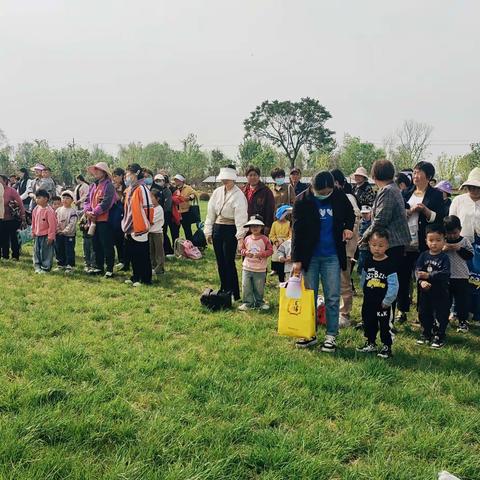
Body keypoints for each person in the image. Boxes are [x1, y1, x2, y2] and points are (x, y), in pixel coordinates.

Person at [291, 171, 355, 352]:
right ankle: (308, 333)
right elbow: (296, 231)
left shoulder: (339, 196)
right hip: (310, 256)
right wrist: (297, 259)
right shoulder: (302, 200)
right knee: (309, 296)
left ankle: (331, 335)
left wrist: (348, 228)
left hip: (332, 255)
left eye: (328, 191)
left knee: (332, 296)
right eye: (321, 191)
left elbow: (350, 214)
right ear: (313, 186)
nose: (325, 194)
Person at [360, 159, 411, 323]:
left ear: (373, 175)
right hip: (392, 243)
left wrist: (364, 238)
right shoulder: (391, 189)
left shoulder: (388, 191)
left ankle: (384, 319)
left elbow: (380, 220)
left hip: (391, 244)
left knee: (386, 281)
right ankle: (380, 316)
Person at [396, 161, 444, 323]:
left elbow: (439, 218)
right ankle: (401, 310)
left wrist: (425, 210)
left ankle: (422, 312)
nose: (415, 176)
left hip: (423, 243)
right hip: (404, 242)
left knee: (423, 278)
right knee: (402, 277)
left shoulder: (435, 195)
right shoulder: (405, 192)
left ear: (428, 176)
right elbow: (399, 214)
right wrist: (409, 212)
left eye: (419, 173)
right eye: (414, 172)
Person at [204, 166, 248, 301]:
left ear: (233, 179)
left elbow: (241, 218)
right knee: (220, 261)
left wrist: (240, 237)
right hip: (218, 227)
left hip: (230, 229)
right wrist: (208, 231)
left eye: (227, 180)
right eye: (223, 179)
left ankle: (234, 291)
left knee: (229, 261)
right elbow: (210, 213)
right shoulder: (217, 192)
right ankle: (224, 288)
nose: (225, 182)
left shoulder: (239, 195)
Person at [357, 227, 399, 359]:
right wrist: (363, 289)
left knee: (385, 324)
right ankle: (370, 342)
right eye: (374, 245)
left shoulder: (390, 263)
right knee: (369, 321)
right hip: (369, 300)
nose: (377, 248)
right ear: (369, 244)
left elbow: (394, 284)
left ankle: (387, 346)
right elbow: (364, 276)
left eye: (381, 245)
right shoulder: (368, 261)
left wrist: (388, 300)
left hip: (383, 302)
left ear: (387, 245)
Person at [331, 169, 361, 326]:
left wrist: (348, 240)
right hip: (331, 246)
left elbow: (355, 221)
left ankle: (345, 312)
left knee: (344, 278)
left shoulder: (348, 197)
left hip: (345, 246)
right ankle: (333, 309)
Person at [415, 224, 451, 348]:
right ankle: (426, 333)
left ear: (444, 241)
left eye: (438, 240)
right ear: (426, 241)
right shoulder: (423, 256)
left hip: (440, 292)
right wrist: (421, 282)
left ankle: (439, 335)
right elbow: (418, 272)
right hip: (425, 292)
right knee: (424, 312)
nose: (434, 243)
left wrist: (429, 276)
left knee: (441, 314)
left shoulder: (444, 258)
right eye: (431, 240)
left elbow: (446, 273)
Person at [121, 164, 154, 287]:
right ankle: (135, 276)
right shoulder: (130, 189)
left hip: (140, 226)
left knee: (142, 254)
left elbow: (148, 208)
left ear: (136, 173)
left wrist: (147, 224)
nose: (126, 177)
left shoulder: (142, 188)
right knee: (132, 253)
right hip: (129, 226)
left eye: (128, 174)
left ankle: (145, 278)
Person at [84, 162, 117, 277]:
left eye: (98, 170)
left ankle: (109, 268)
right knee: (96, 244)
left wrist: (94, 212)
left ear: (104, 172)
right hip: (93, 220)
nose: (96, 172)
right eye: (95, 170)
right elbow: (87, 200)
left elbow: (106, 202)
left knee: (106, 244)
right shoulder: (93, 185)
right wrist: (87, 210)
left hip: (104, 220)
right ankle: (99, 266)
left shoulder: (109, 185)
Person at [443, 215, 473, 333]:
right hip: (446, 276)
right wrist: (444, 249)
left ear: (460, 230)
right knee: (446, 300)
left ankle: (463, 321)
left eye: (454, 233)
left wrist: (459, 249)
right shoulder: (443, 242)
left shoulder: (464, 241)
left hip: (461, 276)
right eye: (449, 233)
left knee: (462, 301)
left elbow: (470, 255)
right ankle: (444, 319)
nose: (452, 236)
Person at [238, 215, 273, 311]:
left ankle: (259, 302)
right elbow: (242, 249)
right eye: (252, 226)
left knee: (259, 287)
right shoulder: (247, 238)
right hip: (247, 267)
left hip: (260, 269)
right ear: (249, 227)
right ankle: (248, 303)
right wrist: (245, 253)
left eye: (257, 226)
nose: (255, 228)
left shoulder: (265, 239)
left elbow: (270, 251)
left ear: (262, 227)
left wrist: (262, 254)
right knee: (246, 286)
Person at [242, 166, 275, 235]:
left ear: (259, 176)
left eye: (255, 175)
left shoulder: (266, 191)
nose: (253, 177)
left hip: (260, 227)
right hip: (245, 226)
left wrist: (268, 226)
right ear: (246, 177)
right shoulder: (242, 190)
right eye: (250, 175)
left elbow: (270, 210)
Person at [449, 168, 480, 243]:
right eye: (471, 187)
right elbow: (451, 221)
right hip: (462, 241)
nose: (474, 190)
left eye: (477, 188)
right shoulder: (458, 200)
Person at [0, 173, 26, 260]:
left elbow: (20, 203)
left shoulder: (11, 191)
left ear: (5, 181)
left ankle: (15, 255)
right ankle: (5, 255)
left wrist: (23, 215)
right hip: (1, 219)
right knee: (3, 237)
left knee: (13, 237)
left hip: (12, 219)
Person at [31, 189, 57, 273]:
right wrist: (33, 231)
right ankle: (37, 266)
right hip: (37, 234)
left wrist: (51, 236)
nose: (37, 200)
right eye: (36, 198)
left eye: (39, 198)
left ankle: (46, 267)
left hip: (46, 235)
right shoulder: (36, 209)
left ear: (46, 199)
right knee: (36, 251)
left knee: (46, 252)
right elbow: (33, 222)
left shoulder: (49, 211)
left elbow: (52, 225)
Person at [54, 190, 78, 272]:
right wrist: (57, 229)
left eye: (67, 198)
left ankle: (70, 265)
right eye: (63, 198)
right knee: (59, 249)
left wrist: (64, 231)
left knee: (69, 250)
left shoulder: (73, 211)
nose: (65, 200)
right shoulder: (58, 210)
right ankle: (61, 264)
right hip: (59, 233)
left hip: (69, 235)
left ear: (72, 200)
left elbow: (72, 224)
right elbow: (55, 220)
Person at [151, 174, 173, 255]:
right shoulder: (153, 190)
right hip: (155, 213)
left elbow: (168, 204)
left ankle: (168, 250)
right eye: (156, 180)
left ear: (164, 181)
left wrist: (161, 212)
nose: (157, 182)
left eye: (159, 180)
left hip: (165, 214)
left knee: (163, 232)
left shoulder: (166, 191)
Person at [269, 205, 292, 282]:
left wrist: (284, 241)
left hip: (286, 245)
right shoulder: (274, 224)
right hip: (276, 244)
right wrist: (275, 241)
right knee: (277, 260)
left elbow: (290, 235)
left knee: (284, 262)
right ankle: (280, 279)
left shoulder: (289, 223)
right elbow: (271, 235)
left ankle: (286, 279)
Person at [111, 168, 128, 271]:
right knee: (117, 239)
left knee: (124, 240)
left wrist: (117, 192)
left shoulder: (127, 187)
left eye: (116, 176)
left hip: (125, 215)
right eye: (113, 176)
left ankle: (126, 262)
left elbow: (123, 200)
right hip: (115, 216)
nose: (114, 178)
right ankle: (121, 260)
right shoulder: (112, 187)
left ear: (122, 176)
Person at [172, 174, 197, 242]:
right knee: (175, 232)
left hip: (185, 212)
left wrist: (189, 198)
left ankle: (190, 246)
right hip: (175, 213)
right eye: (175, 180)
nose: (176, 181)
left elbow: (194, 194)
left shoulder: (188, 188)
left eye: (177, 180)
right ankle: (176, 246)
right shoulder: (173, 188)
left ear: (182, 181)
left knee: (187, 230)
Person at [149, 190, 165, 276]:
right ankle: (153, 266)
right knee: (152, 251)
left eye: (152, 197)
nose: (150, 199)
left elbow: (151, 221)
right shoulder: (151, 208)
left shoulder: (159, 209)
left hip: (157, 233)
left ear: (157, 199)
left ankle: (160, 268)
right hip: (150, 233)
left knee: (159, 252)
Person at [357, 205, 372, 273]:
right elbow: (358, 232)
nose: (365, 215)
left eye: (366, 213)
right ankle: (360, 273)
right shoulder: (360, 222)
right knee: (361, 261)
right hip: (362, 246)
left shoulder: (373, 222)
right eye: (363, 213)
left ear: (370, 213)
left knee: (369, 260)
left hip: (370, 245)